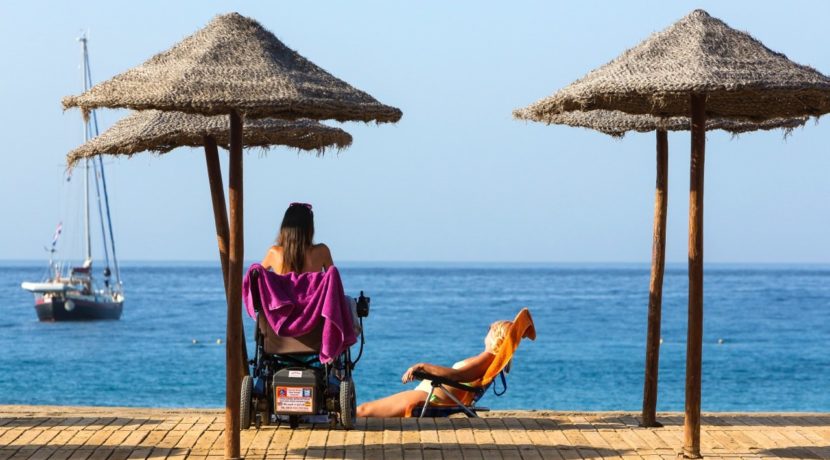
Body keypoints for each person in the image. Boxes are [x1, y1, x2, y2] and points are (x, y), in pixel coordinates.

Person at [356, 320, 512, 418]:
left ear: (495, 337)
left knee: (363, 411)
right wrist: (427, 375)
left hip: (428, 399)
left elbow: (456, 376)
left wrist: (423, 366)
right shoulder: (490, 360)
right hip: (432, 394)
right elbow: (459, 378)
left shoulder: (487, 358)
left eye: (489, 331)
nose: (486, 334)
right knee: (362, 411)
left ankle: (333, 418)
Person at [262, 202, 333, 275]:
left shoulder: (274, 253)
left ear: (285, 228)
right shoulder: (322, 251)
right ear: (309, 228)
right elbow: (334, 282)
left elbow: (255, 278)